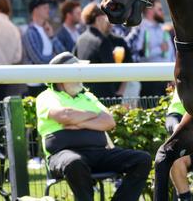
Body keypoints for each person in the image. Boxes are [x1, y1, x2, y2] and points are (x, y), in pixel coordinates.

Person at [36, 52, 151, 201]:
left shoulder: (88, 96)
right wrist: (92, 115)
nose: (81, 76)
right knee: (74, 162)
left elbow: (109, 121)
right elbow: (65, 116)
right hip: (63, 154)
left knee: (142, 159)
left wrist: (79, 122)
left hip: (98, 153)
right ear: (61, 77)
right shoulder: (47, 96)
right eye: (76, 72)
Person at [73, 3, 130, 98]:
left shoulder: (80, 39)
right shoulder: (102, 41)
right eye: (106, 18)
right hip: (105, 99)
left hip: (85, 96)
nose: (109, 22)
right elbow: (112, 73)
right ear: (99, 19)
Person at [134, 0, 174, 97]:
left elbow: (171, 53)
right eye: (159, 9)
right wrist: (159, 50)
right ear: (150, 10)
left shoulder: (162, 27)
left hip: (168, 78)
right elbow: (138, 54)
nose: (162, 12)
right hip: (150, 80)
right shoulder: (140, 29)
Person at [22, 0, 56, 97]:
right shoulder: (30, 32)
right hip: (36, 83)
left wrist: (52, 36)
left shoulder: (48, 29)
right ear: (35, 10)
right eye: (45, 8)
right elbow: (38, 59)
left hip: (49, 80)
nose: (48, 10)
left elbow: (62, 51)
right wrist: (56, 60)